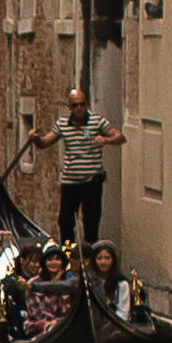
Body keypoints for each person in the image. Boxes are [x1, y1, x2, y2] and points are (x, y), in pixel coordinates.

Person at [34, 84, 125, 244]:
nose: (79, 108)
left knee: (91, 224)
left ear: (86, 104)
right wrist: (34, 138)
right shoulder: (62, 124)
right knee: (65, 223)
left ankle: (89, 259)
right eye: (75, 105)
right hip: (69, 182)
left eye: (82, 104)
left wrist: (105, 139)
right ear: (69, 106)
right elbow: (43, 143)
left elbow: (120, 137)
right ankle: (69, 255)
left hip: (91, 183)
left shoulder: (97, 122)